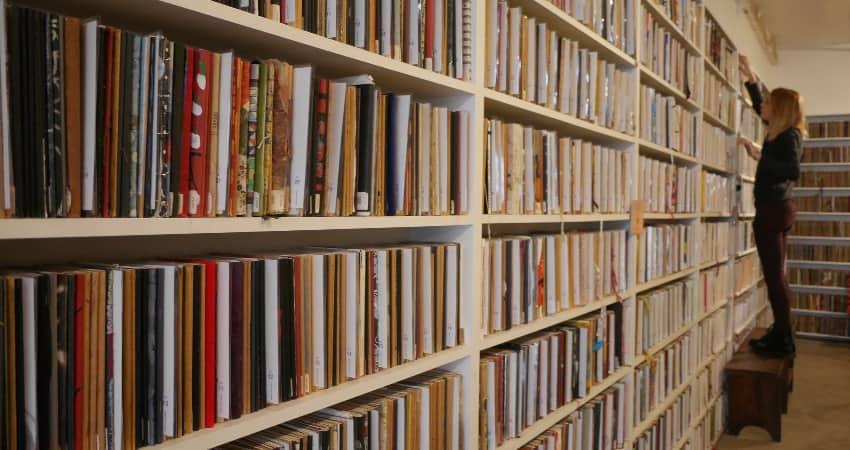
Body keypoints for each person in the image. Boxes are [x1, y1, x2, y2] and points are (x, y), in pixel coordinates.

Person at [737, 55, 805, 358]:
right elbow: (758, 107)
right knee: (777, 275)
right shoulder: (783, 132)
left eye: (767, 103)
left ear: (779, 110)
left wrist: (761, 156)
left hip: (773, 210)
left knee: (775, 276)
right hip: (779, 208)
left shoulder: (788, 136)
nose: (762, 105)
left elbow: (792, 169)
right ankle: (782, 333)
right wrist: (750, 76)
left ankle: (783, 340)